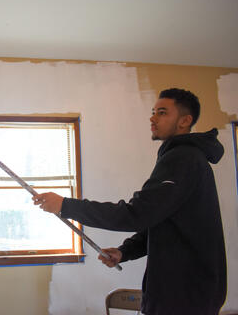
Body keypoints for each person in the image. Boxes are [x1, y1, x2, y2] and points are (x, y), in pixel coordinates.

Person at [32, 88, 227, 315]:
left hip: (185, 298)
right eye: (154, 112)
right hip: (185, 293)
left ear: (185, 120)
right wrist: (125, 252)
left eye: (162, 112)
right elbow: (160, 222)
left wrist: (66, 206)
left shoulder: (183, 158)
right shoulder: (183, 157)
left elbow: (136, 214)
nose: (153, 118)